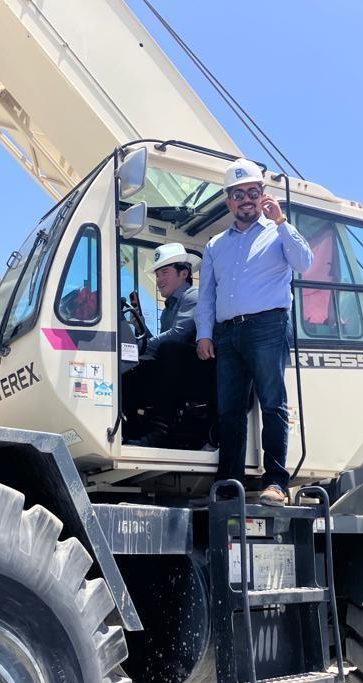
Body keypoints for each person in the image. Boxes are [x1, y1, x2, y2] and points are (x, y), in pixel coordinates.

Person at [195, 158, 313, 506]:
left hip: (268, 327)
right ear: (228, 201)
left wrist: (281, 220)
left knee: (273, 404)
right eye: (238, 194)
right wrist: (205, 333)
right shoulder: (216, 245)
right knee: (229, 410)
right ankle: (229, 484)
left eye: (253, 192)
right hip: (227, 334)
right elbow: (207, 295)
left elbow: (304, 263)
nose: (246, 199)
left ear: (263, 195)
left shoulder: (278, 232)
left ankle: (277, 482)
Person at [122, 243, 212, 447]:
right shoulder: (168, 309)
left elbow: (177, 336)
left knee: (168, 350)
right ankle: (133, 430)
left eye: (165, 272)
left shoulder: (193, 296)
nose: (159, 279)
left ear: (184, 273)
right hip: (179, 366)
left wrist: (138, 348)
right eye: (157, 274)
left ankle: (161, 432)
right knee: (131, 371)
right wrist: (140, 329)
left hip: (201, 368)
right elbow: (160, 341)